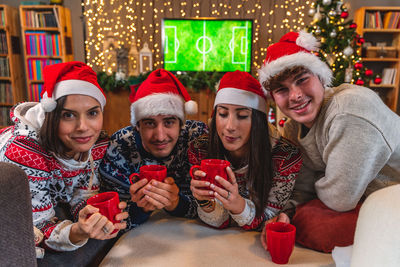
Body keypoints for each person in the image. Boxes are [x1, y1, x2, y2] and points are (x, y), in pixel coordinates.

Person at [258, 31, 400, 224]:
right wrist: (289, 211)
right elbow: (303, 188)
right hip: (370, 201)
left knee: (319, 228)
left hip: (391, 200)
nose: (295, 96)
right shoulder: (292, 128)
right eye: (282, 89)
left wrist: (320, 181)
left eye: (302, 80)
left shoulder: (349, 109)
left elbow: (340, 199)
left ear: (321, 78)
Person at [0, 61, 128, 257]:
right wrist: (77, 232)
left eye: (92, 113)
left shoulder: (97, 143)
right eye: (68, 115)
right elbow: (36, 229)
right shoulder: (25, 151)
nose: (83, 127)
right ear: (51, 116)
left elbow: (81, 194)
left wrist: (91, 216)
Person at [188, 70, 302, 230]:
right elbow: (219, 222)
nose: (230, 127)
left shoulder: (286, 156)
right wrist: (204, 201)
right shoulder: (200, 148)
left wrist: (238, 206)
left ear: (258, 122)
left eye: (242, 116)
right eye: (222, 114)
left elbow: (268, 220)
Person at [99, 68, 208, 230]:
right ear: (137, 126)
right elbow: (111, 222)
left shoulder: (197, 139)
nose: (160, 136)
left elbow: (213, 210)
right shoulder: (119, 147)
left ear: (181, 124)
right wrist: (141, 208)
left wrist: (177, 203)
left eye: (169, 122)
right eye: (149, 123)